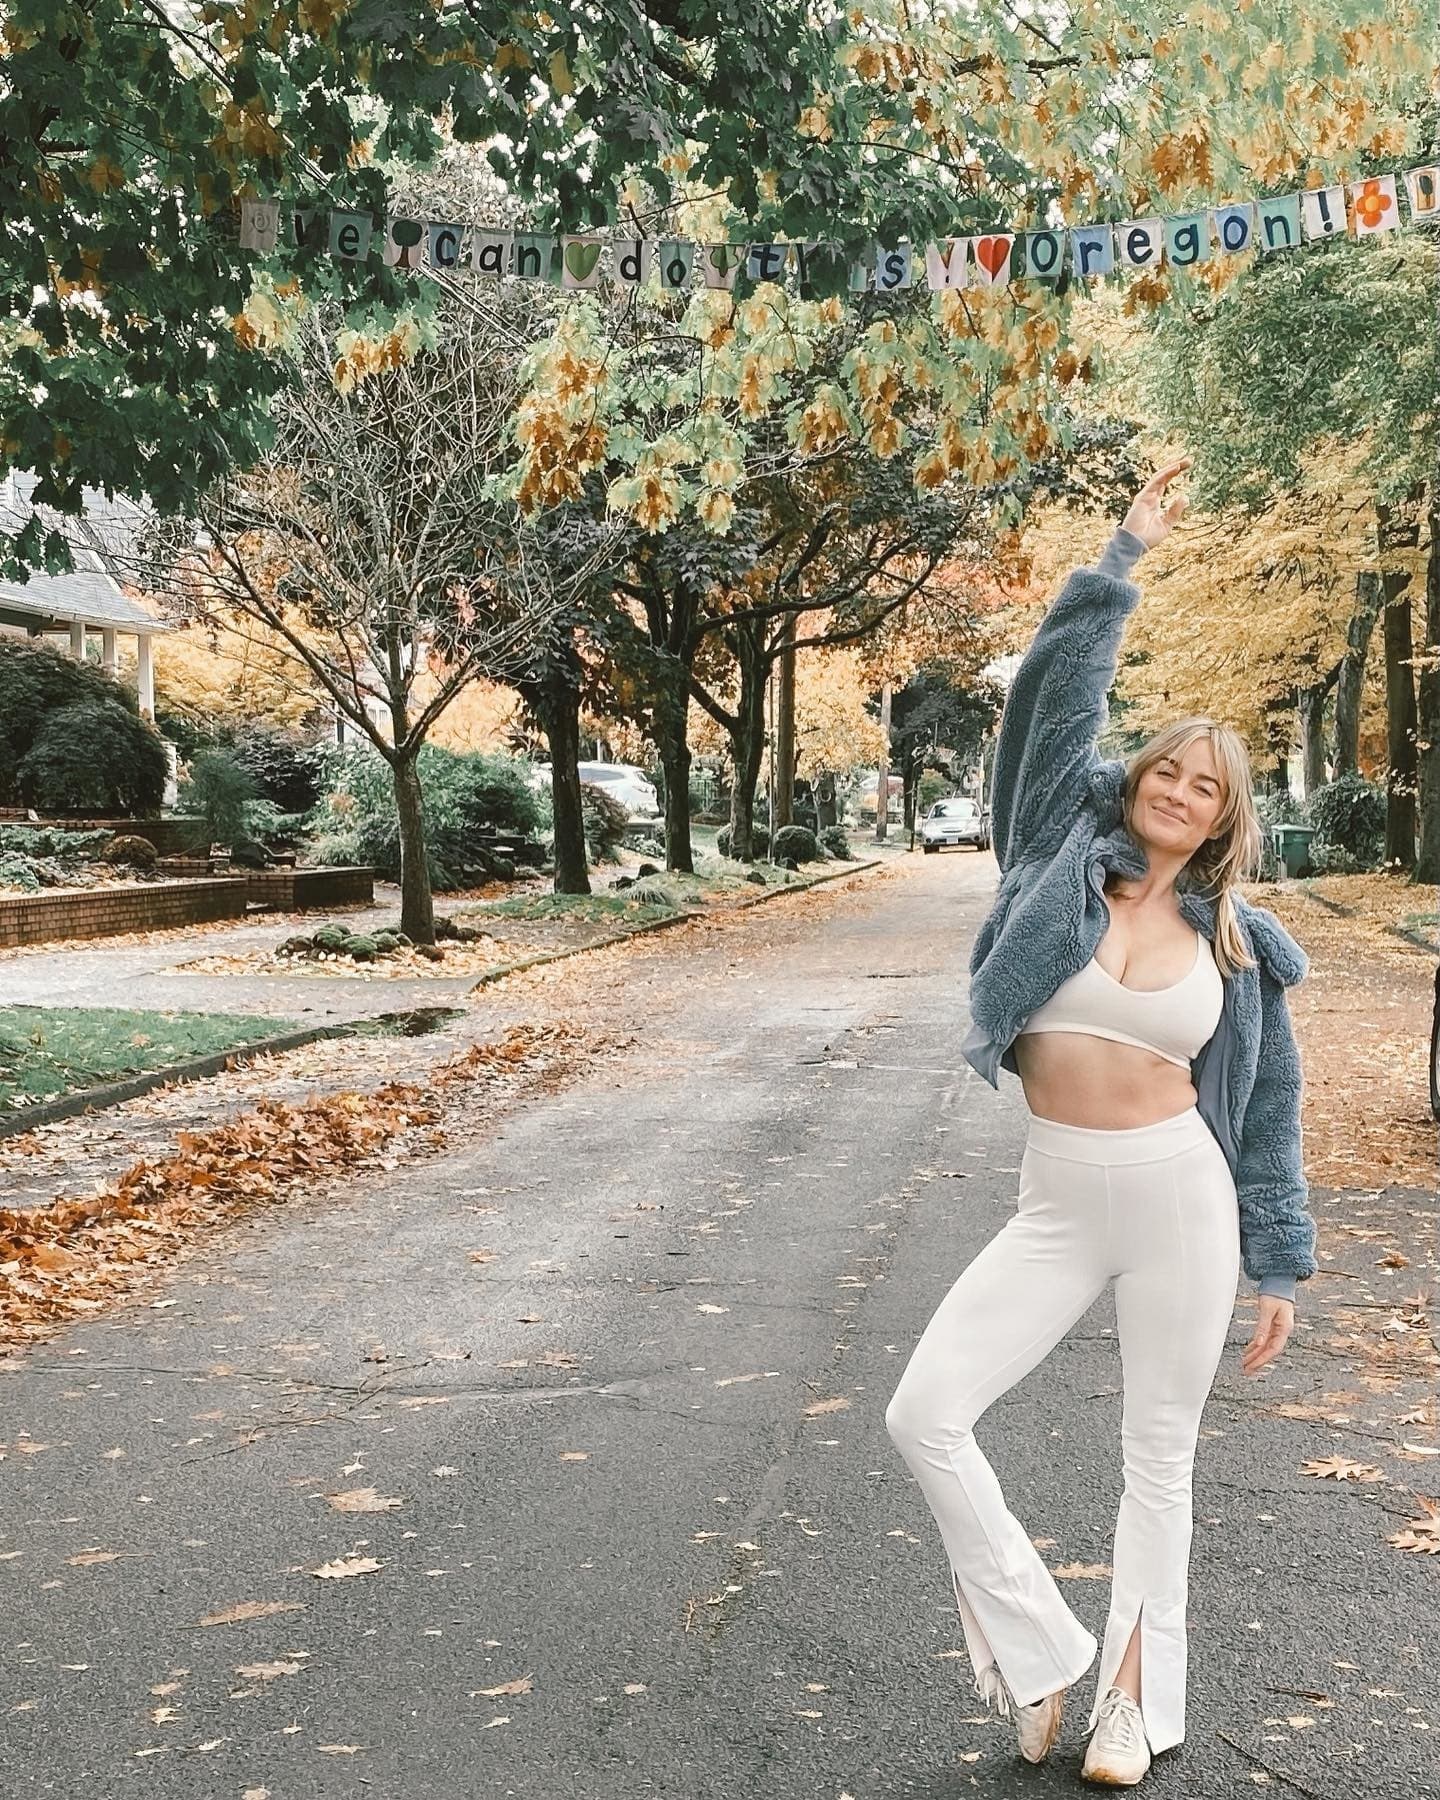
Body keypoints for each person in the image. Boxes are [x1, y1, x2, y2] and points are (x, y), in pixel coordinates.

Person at [884, 457, 1318, 1787]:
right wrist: (1121, 554)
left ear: (1225, 821)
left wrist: (1278, 1258)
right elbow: (1056, 696)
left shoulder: (1239, 943)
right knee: (925, 1413)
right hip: (1058, 1194)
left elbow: (1267, 1113)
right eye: (1166, 769)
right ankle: (1044, 1655)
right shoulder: (1052, 860)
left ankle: (1133, 1700)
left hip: (1178, 1195)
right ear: (1135, 780)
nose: (1180, 792)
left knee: (1159, 1459)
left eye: (1207, 788)